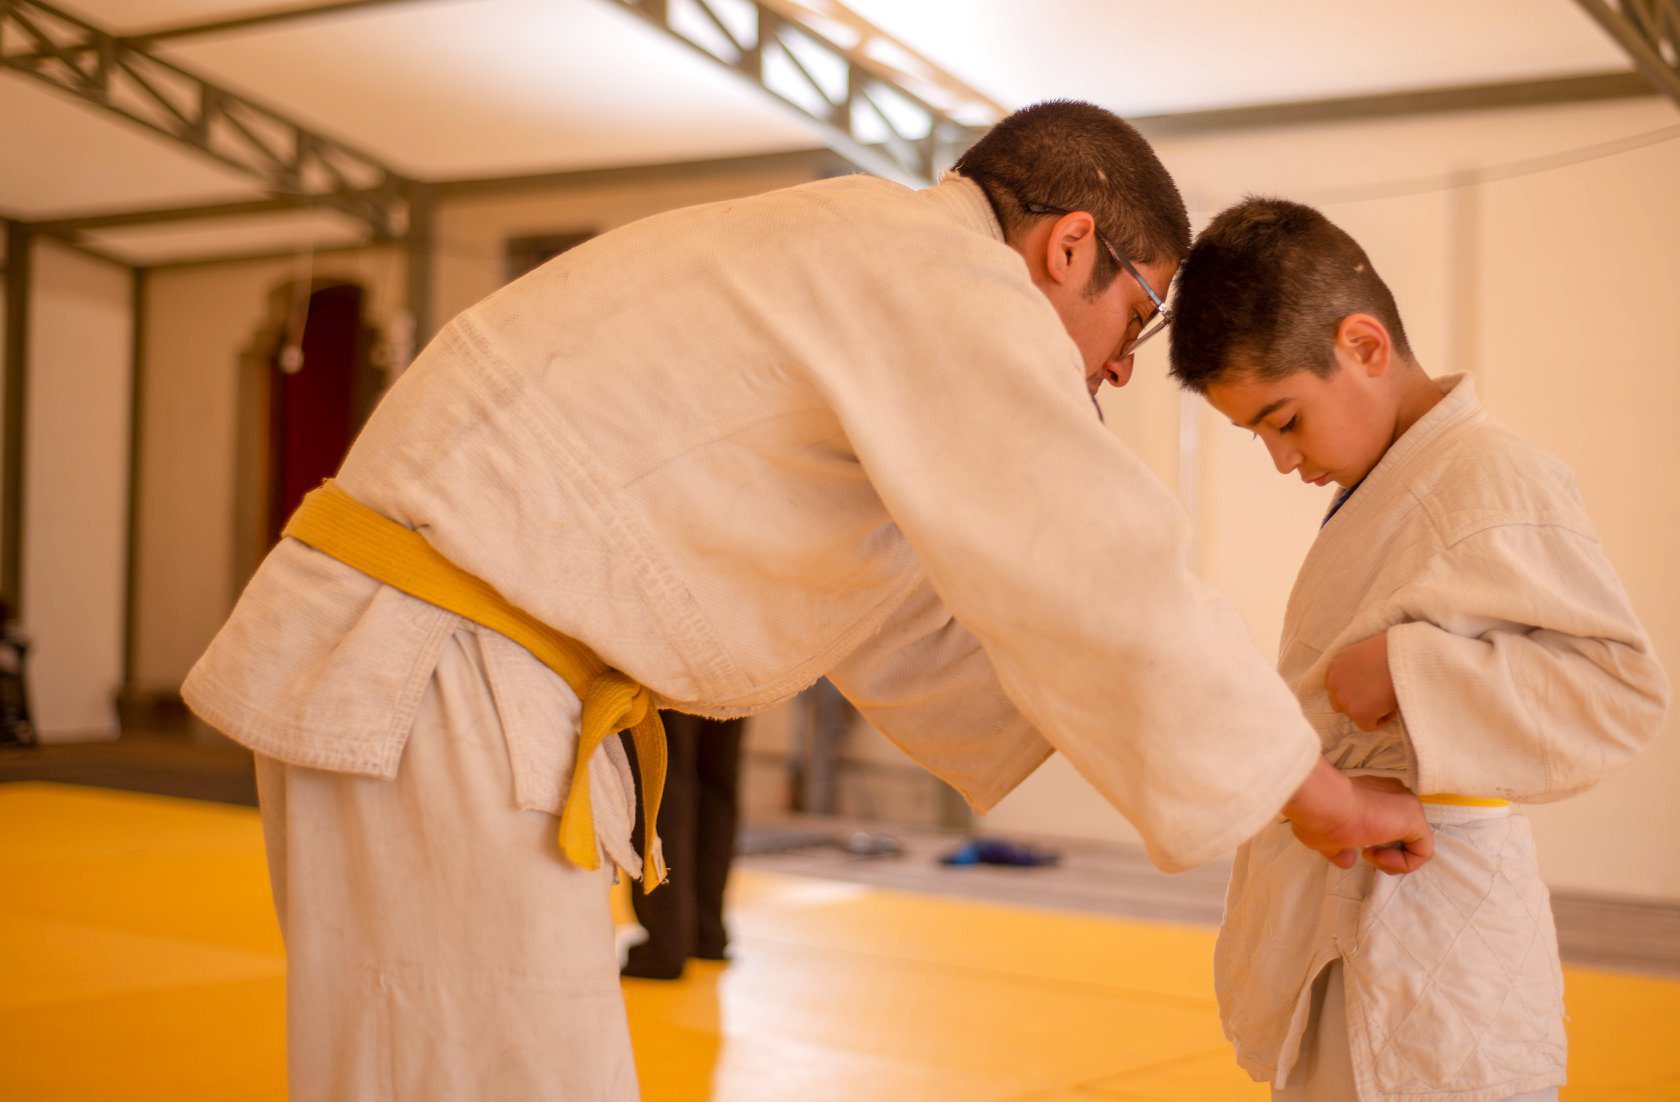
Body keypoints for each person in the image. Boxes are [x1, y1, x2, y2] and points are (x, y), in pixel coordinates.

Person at [182, 102, 1433, 1099]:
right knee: (467, 1076)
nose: (1114, 368)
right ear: (1069, 246)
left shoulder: (850, 267)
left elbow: (931, 617)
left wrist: (1267, 757)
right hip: (448, 678)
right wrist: (1309, 789)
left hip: (448, 677)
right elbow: (1095, 564)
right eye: (1136, 317)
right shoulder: (942, 282)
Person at [1166, 197, 1669, 1102]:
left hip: (1431, 925)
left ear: (1363, 346)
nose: (1283, 462)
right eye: (1259, 437)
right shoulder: (1397, 479)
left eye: (1284, 422)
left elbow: (1619, 695)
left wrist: (1409, 670)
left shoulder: (1490, 475)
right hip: (1351, 923)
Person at [621, 711, 745, 980]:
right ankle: (705, 933)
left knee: (660, 768)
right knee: (716, 775)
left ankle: (665, 943)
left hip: (670, 671)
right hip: (745, 672)